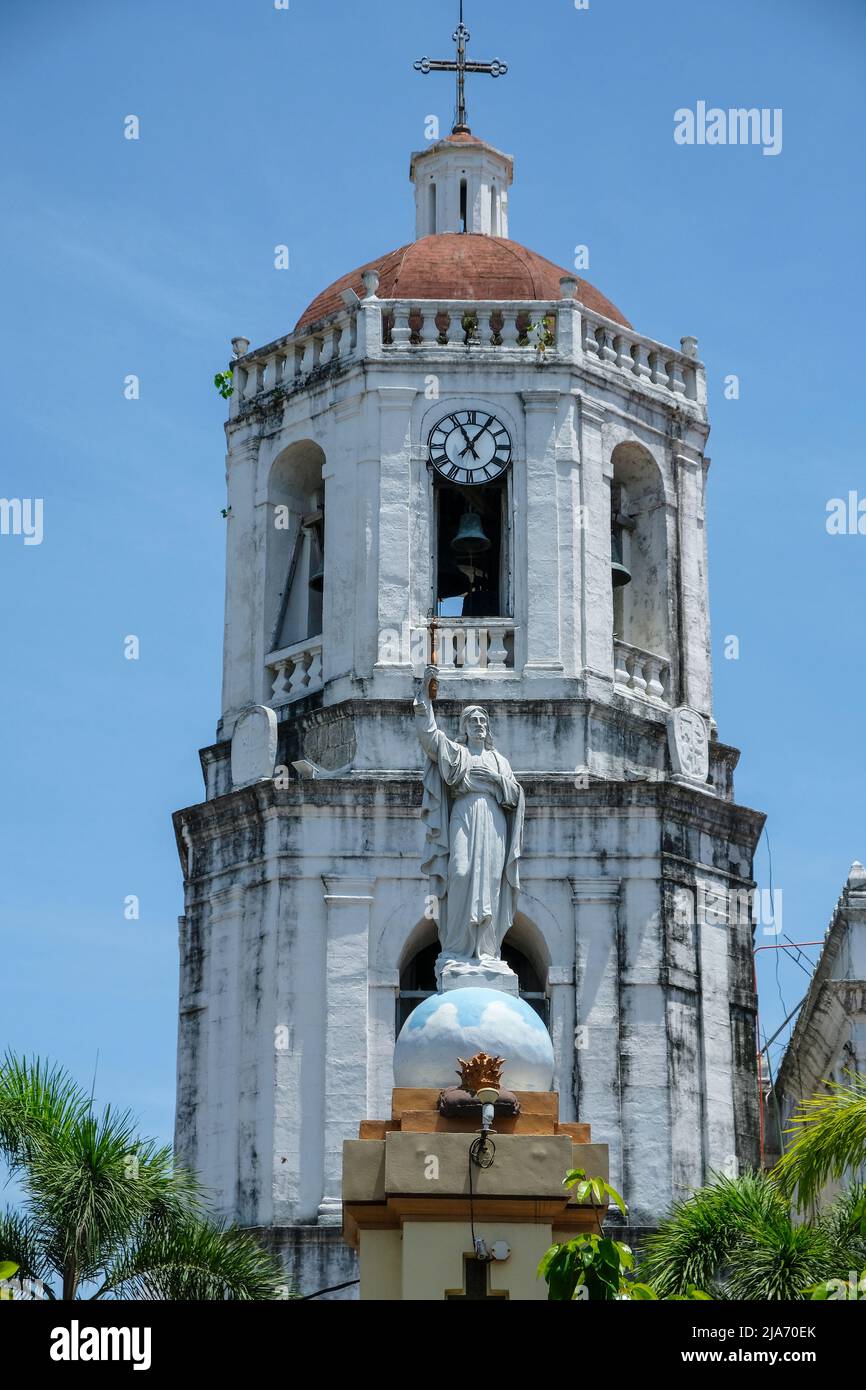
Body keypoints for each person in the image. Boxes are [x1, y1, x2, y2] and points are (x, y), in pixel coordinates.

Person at [414, 665, 524, 961]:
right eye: (473, 720)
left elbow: (514, 795)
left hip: (493, 819)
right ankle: (456, 947)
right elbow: (430, 738)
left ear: (487, 728)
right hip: (463, 813)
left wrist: (495, 781)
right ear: (464, 728)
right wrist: (424, 696)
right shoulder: (457, 754)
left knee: (490, 881)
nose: (478, 724)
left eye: (482, 720)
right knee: (460, 872)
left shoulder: (499, 760)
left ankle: (487, 949)